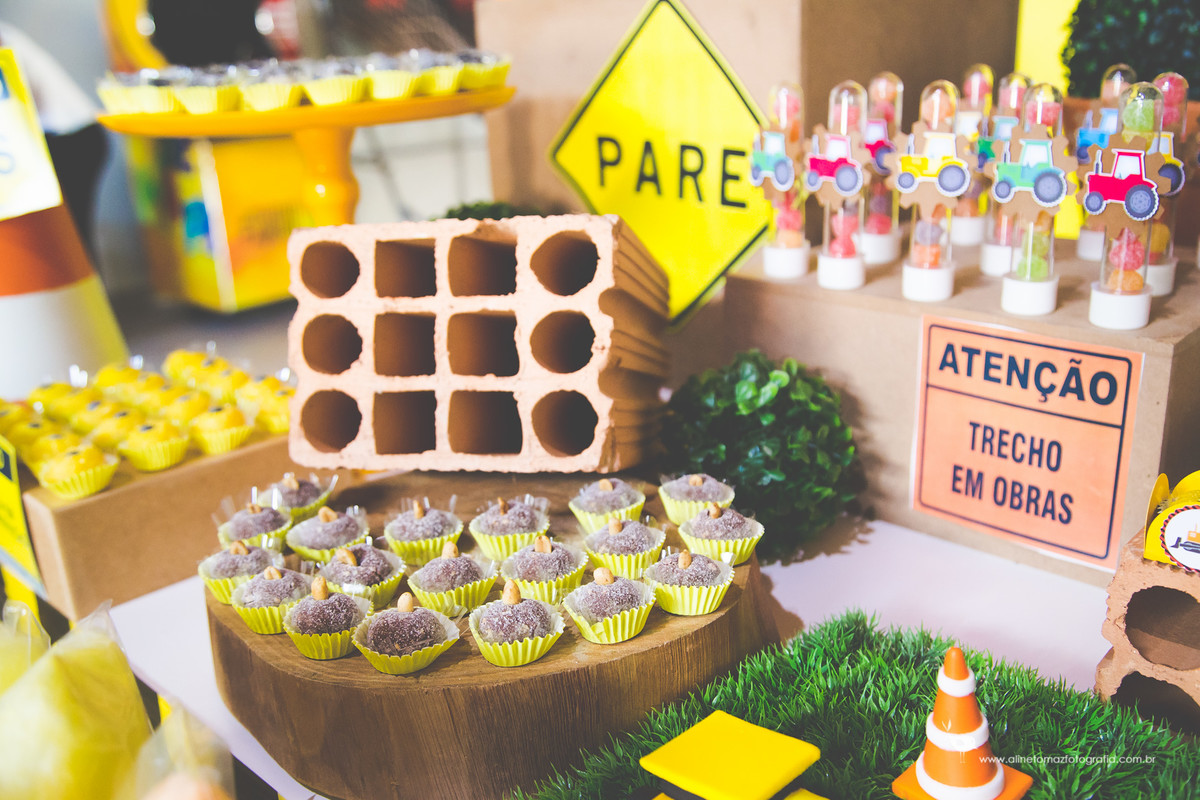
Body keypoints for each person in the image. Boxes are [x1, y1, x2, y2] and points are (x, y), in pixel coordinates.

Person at [0, 21, 108, 256]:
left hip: (69, 136)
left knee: (70, 241)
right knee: (70, 239)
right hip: (67, 134)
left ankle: (92, 291)